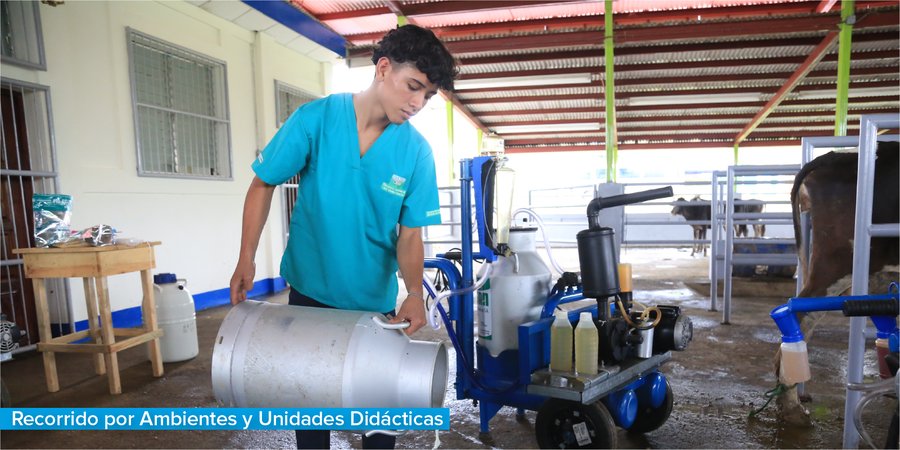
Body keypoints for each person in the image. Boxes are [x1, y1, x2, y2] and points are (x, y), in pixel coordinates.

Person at [228, 24, 458, 449]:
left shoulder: (415, 152)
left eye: (427, 96)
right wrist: (246, 258)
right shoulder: (316, 120)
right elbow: (263, 183)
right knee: (311, 418)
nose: (417, 103)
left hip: (372, 304)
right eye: (413, 87)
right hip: (311, 297)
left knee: (378, 425)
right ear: (383, 68)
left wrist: (412, 291)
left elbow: (410, 235)